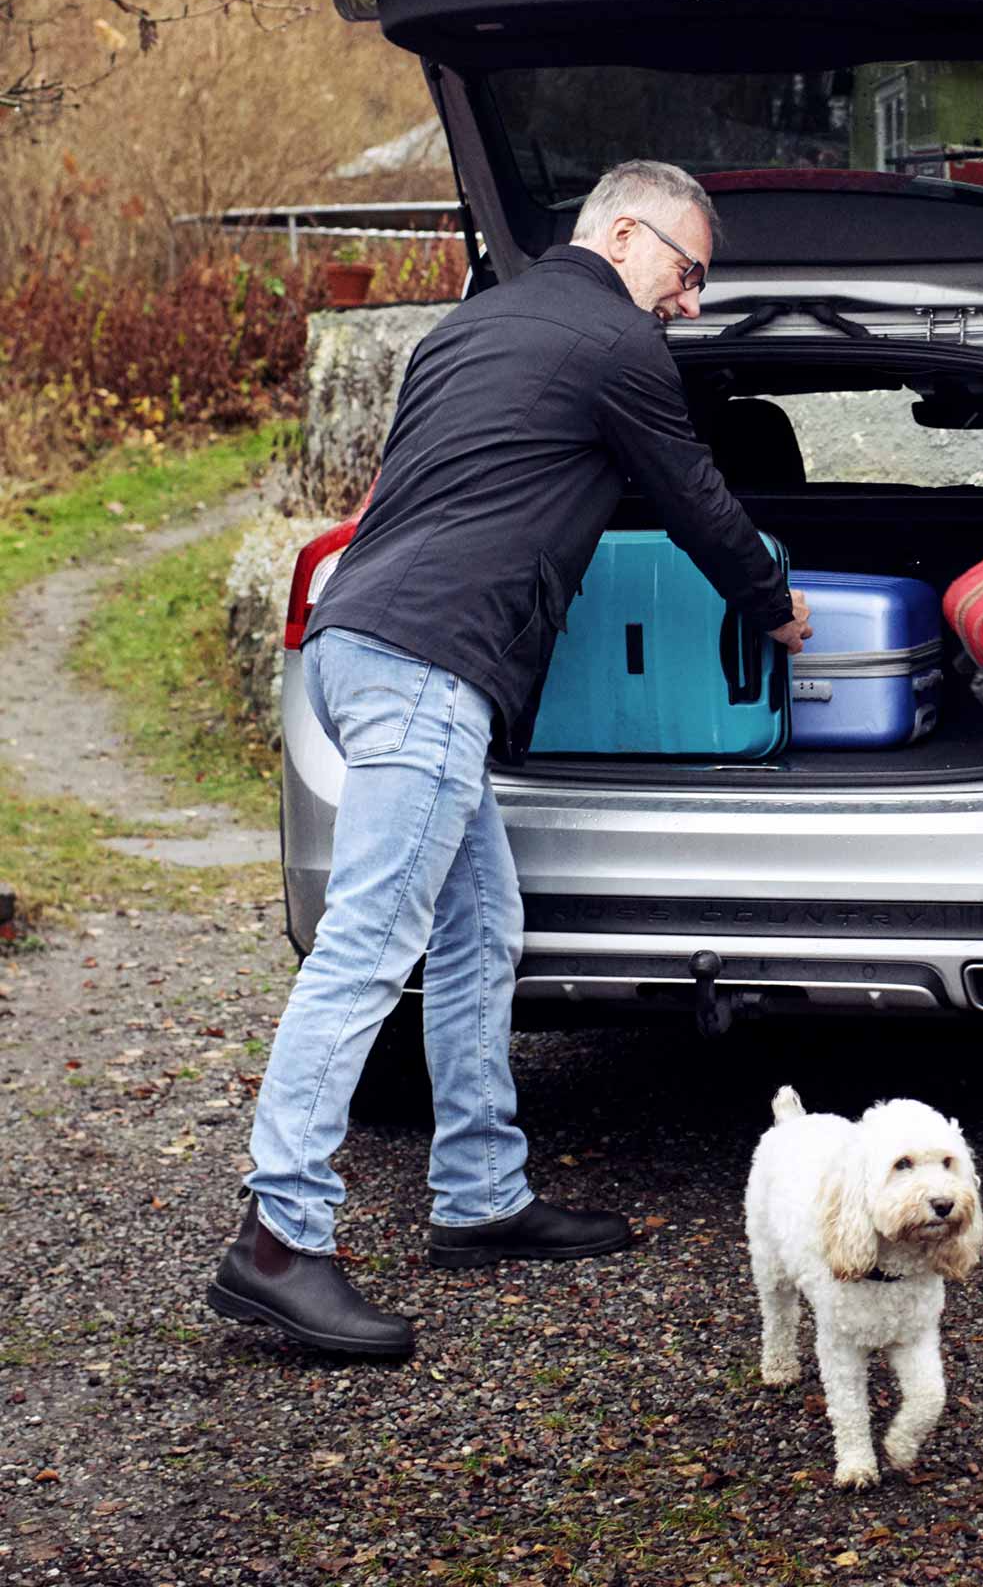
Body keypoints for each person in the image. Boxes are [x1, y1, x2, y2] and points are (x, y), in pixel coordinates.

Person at [208, 159, 812, 1357]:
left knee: (480, 923)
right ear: (627, 234)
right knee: (369, 946)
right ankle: (279, 1238)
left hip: (358, 638)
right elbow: (691, 494)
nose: (691, 302)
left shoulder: (466, 325)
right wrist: (773, 601)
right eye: (689, 273)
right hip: (430, 667)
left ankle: (482, 1193)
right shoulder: (614, 341)